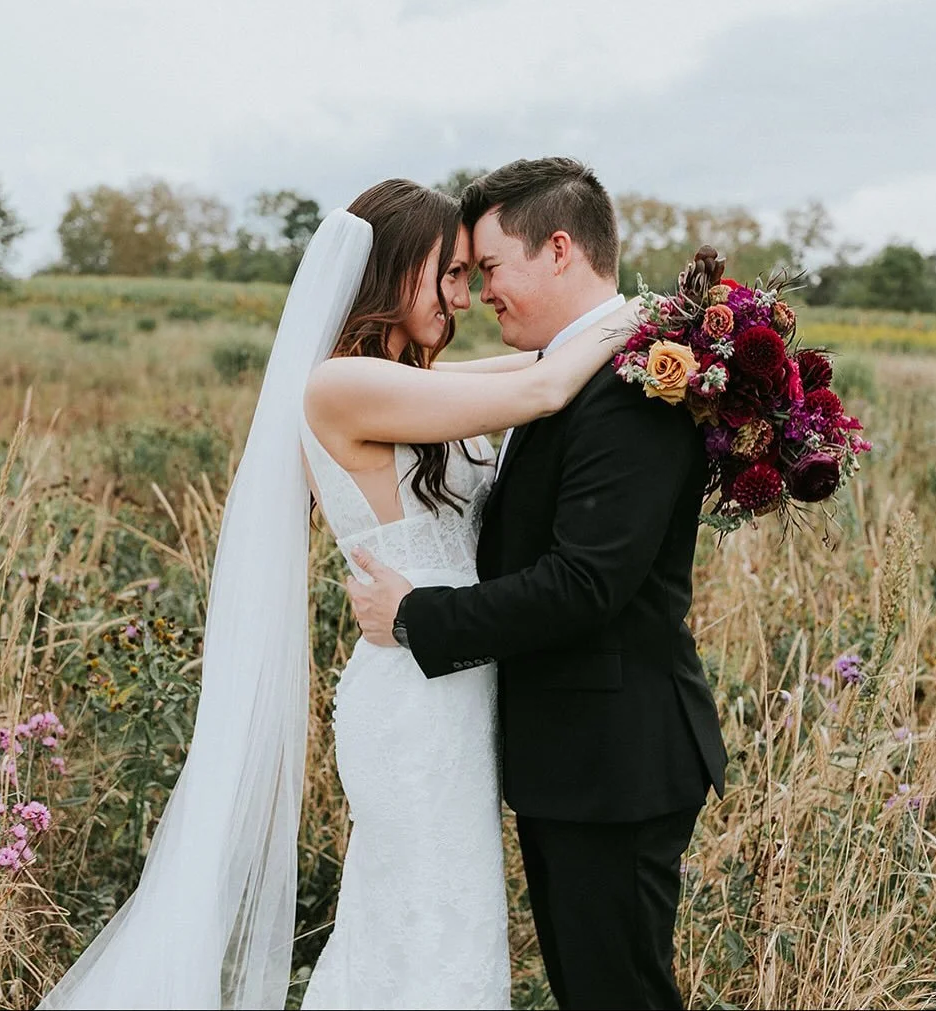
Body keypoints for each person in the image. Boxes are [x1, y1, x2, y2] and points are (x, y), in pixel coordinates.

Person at [38, 176, 635, 1011]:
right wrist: (647, 316)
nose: (463, 296)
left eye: (471, 274)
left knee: (433, 927)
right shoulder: (340, 385)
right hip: (412, 697)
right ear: (395, 269)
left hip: (456, 679)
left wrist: (645, 325)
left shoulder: (414, 380)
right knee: (425, 932)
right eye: (451, 274)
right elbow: (542, 387)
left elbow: (541, 358)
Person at [348, 158, 728, 1011]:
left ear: (557, 249)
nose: (478, 293)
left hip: (614, 760)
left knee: (615, 993)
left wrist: (415, 615)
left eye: (486, 268)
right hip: (570, 756)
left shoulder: (634, 387)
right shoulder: (564, 371)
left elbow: (584, 582)